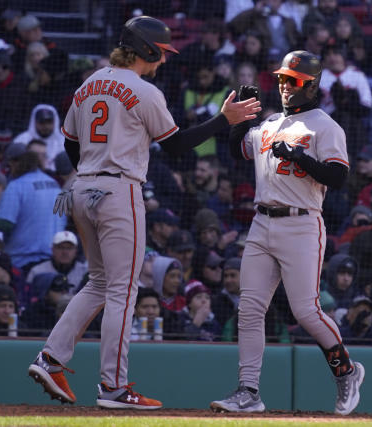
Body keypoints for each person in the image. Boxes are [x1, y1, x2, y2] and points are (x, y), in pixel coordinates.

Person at [28, 15, 260, 410]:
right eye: (162, 52)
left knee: (100, 283)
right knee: (123, 288)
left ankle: (50, 358)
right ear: (147, 49)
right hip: (119, 190)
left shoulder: (89, 84)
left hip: (82, 188)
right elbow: (175, 146)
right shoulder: (144, 90)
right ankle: (114, 388)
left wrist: (92, 168)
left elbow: (70, 145)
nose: (164, 60)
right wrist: (224, 119)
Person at [210, 50, 364, 416]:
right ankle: (249, 391)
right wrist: (240, 118)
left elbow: (339, 177)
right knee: (249, 309)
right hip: (262, 222)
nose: (284, 85)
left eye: (292, 80)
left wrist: (300, 158)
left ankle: (347, 371)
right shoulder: (268, 123)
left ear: (311, 85)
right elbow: (237, 152)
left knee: (306, 311)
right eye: (281, 78)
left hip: (302, 223)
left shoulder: (325, 126)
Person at [13, 104, 64, 171]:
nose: (46, 126)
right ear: (34, 122)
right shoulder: (21, 140)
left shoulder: (63, 141)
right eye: (42, 122)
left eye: (49, 122)